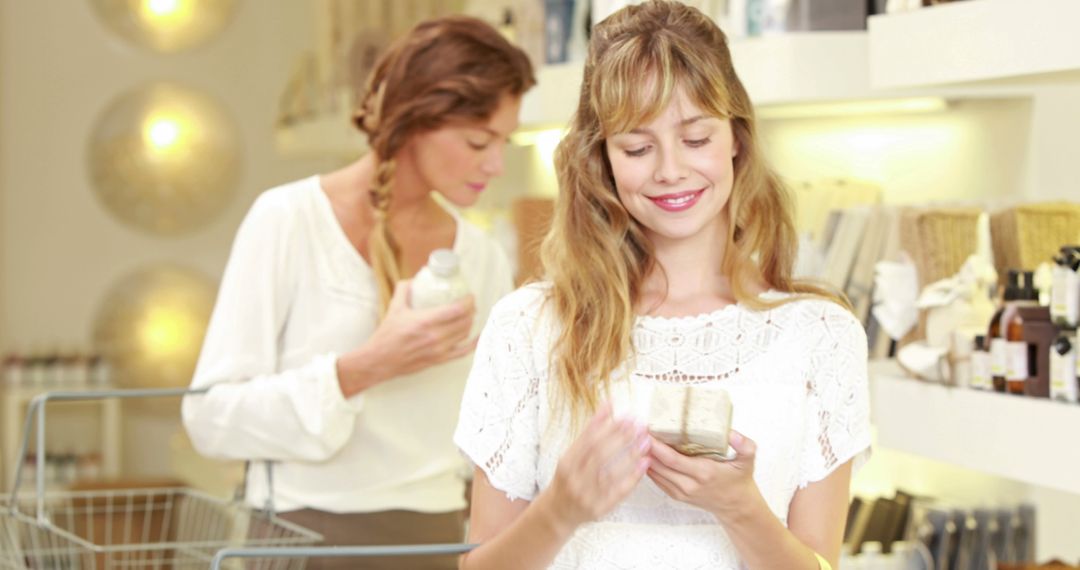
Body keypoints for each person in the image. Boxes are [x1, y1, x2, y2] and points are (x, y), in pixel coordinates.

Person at [453, 2, 871, 569]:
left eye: (696, 139)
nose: (670, 170)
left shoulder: (818, 334)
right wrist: (561, 511)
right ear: (601, 160)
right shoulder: (529, 328)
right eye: (637, 148)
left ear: (737, 141)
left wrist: (740, 507)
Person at [181, 15, 535, 570]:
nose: (495, 163)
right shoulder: (288, 221)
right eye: (477, 141)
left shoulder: (482, 257)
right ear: (417, 120)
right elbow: (210, 419)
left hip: (438, 542)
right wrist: (365, 367)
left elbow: (500, 438)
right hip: (298, 539)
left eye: (503, 142)